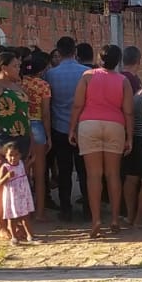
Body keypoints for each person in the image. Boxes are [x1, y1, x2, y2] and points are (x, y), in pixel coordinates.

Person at [69, 44, 135, 238]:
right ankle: (114, 218)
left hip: (89, 124)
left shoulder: (87, 77)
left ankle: (96, 219)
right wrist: (129, 136)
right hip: (115, 125)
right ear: (118, 61)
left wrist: (72, 128)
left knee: (93, 175)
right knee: (113, 175)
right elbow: (128, 111)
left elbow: (77, 104)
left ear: (99, 58)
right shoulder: (123, 81)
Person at [0, 48, 32, 238]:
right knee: (1, 181)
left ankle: (15, 223)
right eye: (15, 66)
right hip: (2, 140)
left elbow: (26, 115)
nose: (19, 69)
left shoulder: (17, 86)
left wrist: (30, 139)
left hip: (21, 139)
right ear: (4, 67)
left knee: (17, 183)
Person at [43, 37, 90, 221]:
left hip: (59, 128)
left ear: (59, 52)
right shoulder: (87, 73)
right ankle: (88, 208)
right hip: (81, 127)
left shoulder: (51, 74)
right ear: (75, 51)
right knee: (84, 170)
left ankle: (66, 209)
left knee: (64, 171)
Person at [119, 46, 142, 228]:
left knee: (130, 177)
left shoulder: (133, 91)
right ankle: (139, 218)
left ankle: (129, 215)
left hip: (129, 136)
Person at [20, 50, 53, 221]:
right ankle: (40, 212)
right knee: (40, 173)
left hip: (21, 127)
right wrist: (49, 135)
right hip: (38, 125)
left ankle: (25, 211)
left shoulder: (18, 83)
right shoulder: (43, 85)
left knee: (23, 172)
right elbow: (46, 113)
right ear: (41, 71)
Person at [0, 141, 36, 244]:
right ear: (6, 156)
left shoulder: (21, 163)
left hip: (22, 195)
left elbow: (24, 171)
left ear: (20, 155)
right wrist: (7, 176)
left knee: (25, 216)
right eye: (10, 155)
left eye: (16, 155)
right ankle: (14, 237)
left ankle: (30, 236)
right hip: (12, 196)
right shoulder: (5, 167)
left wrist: (31, 161)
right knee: (12, 218)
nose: (13, 158)